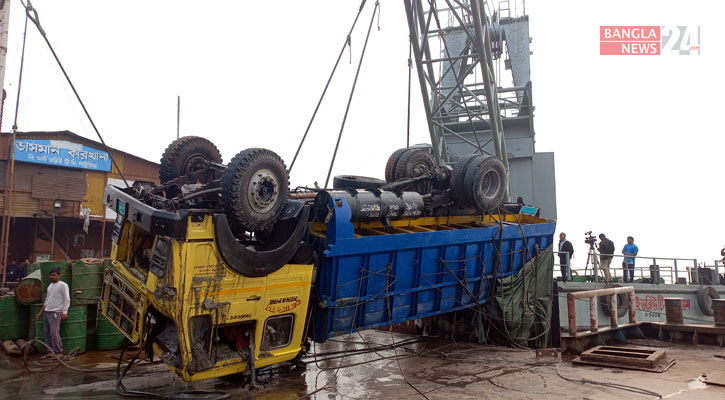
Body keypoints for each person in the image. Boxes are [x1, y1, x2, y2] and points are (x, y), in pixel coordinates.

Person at [35, 268, 70, 358]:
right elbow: (47, 300)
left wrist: (64, 312)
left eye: (54, 275)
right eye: (50, 275)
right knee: (47, 333)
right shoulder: (50, 286)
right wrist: (40, 313)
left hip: (56, 312)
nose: (51, 277)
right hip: (47, 312)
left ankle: (59, 352)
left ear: (59, 275)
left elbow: (67, 299)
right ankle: (51, 351)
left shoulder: (63, 285)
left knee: (54, 333)